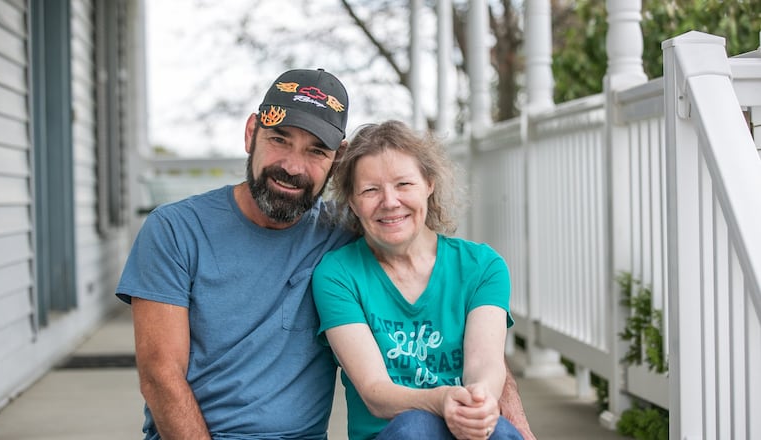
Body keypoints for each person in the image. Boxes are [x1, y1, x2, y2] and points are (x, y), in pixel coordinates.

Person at [116, 69, 533, 439]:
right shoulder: (175, 230)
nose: (294, 167)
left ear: (336, 162)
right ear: (250, 134)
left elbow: (466, 329)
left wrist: (516, 427)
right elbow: (160, 377)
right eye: (280, 140)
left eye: (316, 151)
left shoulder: (348, 228)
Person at [312, 120, 529, 440]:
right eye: (371, 190)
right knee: (417, 427)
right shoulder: (338, 275)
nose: (389, 201)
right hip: (392, 433)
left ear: (429, 182)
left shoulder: (481, 267)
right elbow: (375, 392)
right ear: (353, 202)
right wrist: (440, 400)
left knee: (497, 432)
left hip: (468, 429)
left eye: (403, 184)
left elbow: (485, 362)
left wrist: (480, 400)